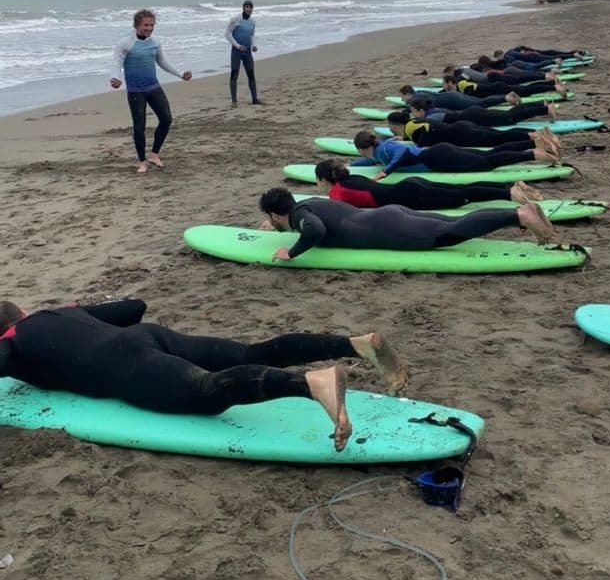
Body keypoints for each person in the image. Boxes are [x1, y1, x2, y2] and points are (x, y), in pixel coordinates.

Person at [0, 299, 408, 453]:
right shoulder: (59, 311)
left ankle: (310, 384)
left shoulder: (10, 345)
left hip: (121, 364)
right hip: (150, 336)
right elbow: (133, 307)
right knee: (252, 352)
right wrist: (78, 312)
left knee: (205, 391)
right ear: (21, 312)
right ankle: (353, 343)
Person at [259, 188, 556, 263]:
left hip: (387, 229)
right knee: (456, 221)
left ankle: (519, 216)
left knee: (449, 235)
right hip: (389, 214)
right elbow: (312, 219)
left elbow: (315, 230)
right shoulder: (307, 202)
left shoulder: (301, 217)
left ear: (275, 213)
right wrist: (278, 227)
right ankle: (520, 213)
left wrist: (292, 252)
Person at [111, 9, 192, 175]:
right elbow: (116, 63)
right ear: (136, 25)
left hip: (153, 87)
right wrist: (115, 78)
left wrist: (181, 74)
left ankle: (154, 154)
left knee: (166, 119)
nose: (149, 28)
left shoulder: (155, 42)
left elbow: (163, 62)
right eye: (146, 25)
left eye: (152, 25)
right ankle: (142, 161)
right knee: (139, 127)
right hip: (136, 91)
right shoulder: (126, 43)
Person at [313, 157, 544, 209]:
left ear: (324, 179)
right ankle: (509, 188)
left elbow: (336, 210)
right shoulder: (353, 179)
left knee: (464, 196)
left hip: (412, 197)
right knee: (462, 189)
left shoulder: (337, 192)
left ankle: (510, 195)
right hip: (409, 184)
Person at [351, 129, 559, 177]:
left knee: (489, 162)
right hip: (440, 151)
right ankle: (532, 142)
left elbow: (402, 154)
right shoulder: (378, 150)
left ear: (363, 148)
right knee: (490, 155)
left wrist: (386, 172)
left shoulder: (386, 149)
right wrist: (350, 166)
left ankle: (533, 153)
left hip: (438, 158)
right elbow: (370, 162)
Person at [385, 109, 561, 159]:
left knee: (498, 139)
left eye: (391, 126)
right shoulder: (412, 123)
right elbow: (422, 128)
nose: (390, 129)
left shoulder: (409, 127)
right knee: (499, 134)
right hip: (462, 127)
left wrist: (420, 146)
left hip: (462, 135)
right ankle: (537, 133)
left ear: (395, 124)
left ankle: (537, 138)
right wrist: (403, 139)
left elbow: (425, 132)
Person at [409, 94, 558, 130]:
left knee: (510, 118)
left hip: (475, 117)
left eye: (414, 112)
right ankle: (540, 104)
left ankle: (545, 109)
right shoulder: (433, 110)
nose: (413, 115)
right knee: (508, 114)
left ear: (421, 110)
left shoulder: (431, 117)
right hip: (473, 113)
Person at [225, 0, 263, 107]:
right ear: (243, 8)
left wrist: (254, 46)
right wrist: (237, 45)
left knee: (251, 74)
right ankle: (234, 101)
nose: (249, 9)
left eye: (250, 7)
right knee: (234, 75)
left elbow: (252, 35)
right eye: (247, 7)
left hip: (247, 52)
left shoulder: (252, 22)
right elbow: (227, 34)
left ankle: (255, 99)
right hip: (236, 52)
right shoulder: (236, 19)